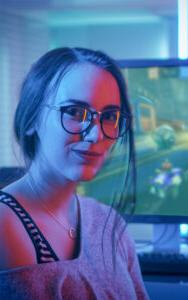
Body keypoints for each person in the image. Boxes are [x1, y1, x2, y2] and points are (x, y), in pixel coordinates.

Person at [0, 47, 149, 299]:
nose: (96, 134)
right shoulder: (5, 225)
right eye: (74, 112)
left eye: (110, 116)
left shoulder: (110, 225)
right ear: (32, 118)